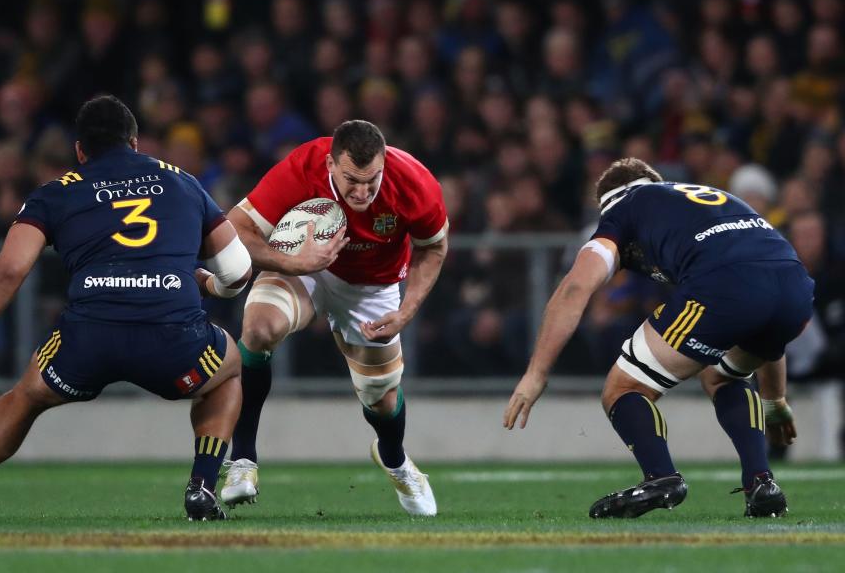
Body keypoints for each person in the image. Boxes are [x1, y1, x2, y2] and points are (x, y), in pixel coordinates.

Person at [0, 95, 252, 523]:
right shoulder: (183, 181)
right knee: (227, 370)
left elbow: (9, 270)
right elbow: (239, 271)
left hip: (88, 341)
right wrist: (207, 284)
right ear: (134, 143)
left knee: (24, 397)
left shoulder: (54, 193)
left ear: (80, 151)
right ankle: (202, 489)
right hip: (172, 341)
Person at [504, 157, 811, 519]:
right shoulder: (713, 198)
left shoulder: (622, 210)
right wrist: (774, 400)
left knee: (623, 389)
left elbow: (575, 289)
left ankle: (660, 477)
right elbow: (765, 307)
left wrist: (536, 373)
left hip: (726, 287)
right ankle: (761, 483)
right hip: (795, 287)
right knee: (722, 374)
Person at [222, 120, 448, 516]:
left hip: (372, 285)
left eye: (372, 179)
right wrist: (293, 261)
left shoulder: (415, 182)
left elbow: (433, 248)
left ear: (384, 164)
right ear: (330, 164)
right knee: (258, 329)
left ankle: (395, 460)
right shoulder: (301, 168)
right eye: (351, 180)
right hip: (303, 266)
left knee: (381, 398)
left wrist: (407, 309)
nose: (362, 192)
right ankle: (242, 461)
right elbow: (234, 231)